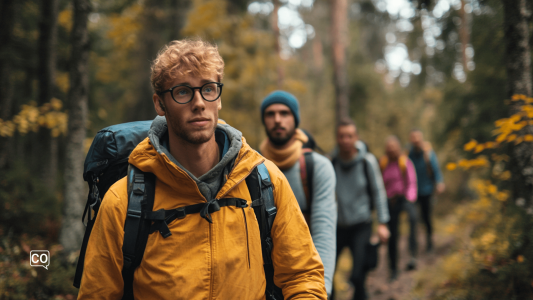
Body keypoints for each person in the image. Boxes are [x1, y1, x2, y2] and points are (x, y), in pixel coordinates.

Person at [77, 39, 327, 299]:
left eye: (208, 89)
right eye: (183, 92)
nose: (199, 103)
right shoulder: (124, 200)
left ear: (218, 99)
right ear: (160, 104)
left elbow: (303, 276)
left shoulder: (265, 181)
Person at [259, 90, 337, 297]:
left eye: (284, 113)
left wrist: (322, 289)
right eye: (270, 114)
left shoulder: (318, 167)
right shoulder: (251, 167)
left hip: (312, 278)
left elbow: (324, 231)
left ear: (295, 119)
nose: (277, 119)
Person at [331, 119, 390, 300]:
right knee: (325, 275)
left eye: (350, 136)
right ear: (337, 138)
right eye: (342, 136)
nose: (346, 140)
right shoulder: (331, 162)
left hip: (361, 225)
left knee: (358, 276)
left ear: (356, 137)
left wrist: (382, 223)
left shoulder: (367, 162)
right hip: (338, 227)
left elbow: (378, 192)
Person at [379, 135, 418, 281]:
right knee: (393, 234)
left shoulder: (404, 162)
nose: (391, 151)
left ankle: (413, 255)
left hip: (405, 198)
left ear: (398, 148)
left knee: (413, 219)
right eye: (389, 149)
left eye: (393, 148)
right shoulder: (383, 164)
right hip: (390, 201)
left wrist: (410, 198)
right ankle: (393, 268)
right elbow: (380, 184)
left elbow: (412, 182)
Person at [408, 129, 444, 252]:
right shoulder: (408, 154)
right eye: (413, 138)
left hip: (427, 190)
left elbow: (436, 169)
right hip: (412, 192)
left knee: (426, 217)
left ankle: (429, 240)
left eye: (418, 137)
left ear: (421, 138)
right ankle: (414, 245)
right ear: (411, 139)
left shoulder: (428, 153)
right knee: (413, 218)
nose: (416, 140)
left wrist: (439, 182)